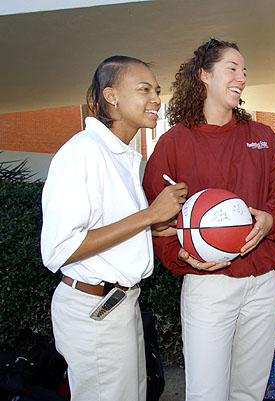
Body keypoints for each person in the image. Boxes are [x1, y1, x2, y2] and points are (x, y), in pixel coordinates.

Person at [142, 39, 275, 401]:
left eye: (244, 71)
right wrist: (179, 254)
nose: (241, 77)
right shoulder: (173, 143)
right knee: (207, 391)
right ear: (204, 75)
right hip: (208, 282)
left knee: (250, 389)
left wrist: (271, 221)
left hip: (263, 281)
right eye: (232, 68)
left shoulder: (261, 135)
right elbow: (154, 217)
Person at [41, 55, 188, 401]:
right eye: (144, 89)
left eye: (157, 90)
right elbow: (61, 248)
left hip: (120, 304)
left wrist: (153, 229)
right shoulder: (83, 153)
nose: (156, 99)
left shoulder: (119, 156)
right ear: (111, 96)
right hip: (94, 310)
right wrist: (149, 216)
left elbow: (104, 230)